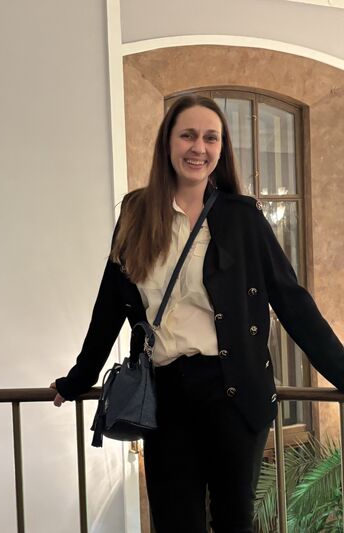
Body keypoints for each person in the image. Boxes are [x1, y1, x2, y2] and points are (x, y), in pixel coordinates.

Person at [50, 94, 344, 533]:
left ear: (221, 148)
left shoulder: (242, 217)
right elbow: (109, 305)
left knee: (233, 522)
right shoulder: (135, 213)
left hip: (234, 391)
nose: (199, 148)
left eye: (211, 138)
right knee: (175, 522)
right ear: (168, 142)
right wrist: (78, 378)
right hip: (166, 395)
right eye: (188, 135)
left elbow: (293, 303)